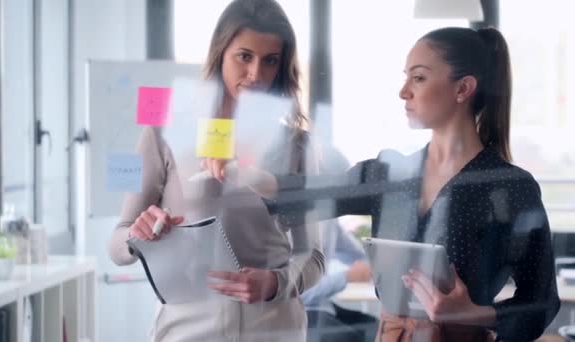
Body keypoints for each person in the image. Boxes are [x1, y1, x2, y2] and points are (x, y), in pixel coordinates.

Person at [207, 27, 561, 341]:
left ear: (463, 88)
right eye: (406, 77)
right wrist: (237, 171)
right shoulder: (389, 173)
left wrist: (471, 313)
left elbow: (541, 301)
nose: (403, 92)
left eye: (419, 78)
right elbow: (307, 192)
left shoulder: (510, 187)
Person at [107, 0, 324, 341]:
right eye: (244, 56)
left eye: (270, 61)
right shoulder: (161, 132)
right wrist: (137, 235)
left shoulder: (299, 145)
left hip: (272, 326)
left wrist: (274, 283)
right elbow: (117, 243)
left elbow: (314, 256)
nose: (256, 74)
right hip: (187, 328)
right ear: (220, 52)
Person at [302, 143, 378, 342]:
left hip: (324, 307)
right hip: (304, 312)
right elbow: (300, 293)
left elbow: (358, 256)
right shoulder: (296, 224)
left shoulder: (329, 220)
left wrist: (378, 263)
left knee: (380, 330)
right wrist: (347, 276)